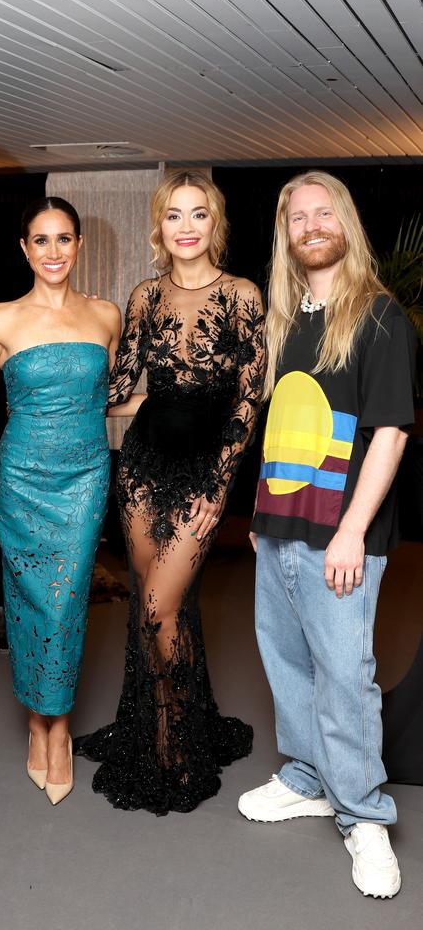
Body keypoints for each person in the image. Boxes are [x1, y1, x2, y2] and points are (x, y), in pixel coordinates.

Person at [238, 171, 417, 899]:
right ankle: (310, 777)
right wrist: (259, 514)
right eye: (296, 217)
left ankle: (365, 816)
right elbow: (287, 425)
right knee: (287, 663)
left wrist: (351, 531)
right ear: (286, 234)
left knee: (345, 675)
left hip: (340, 536)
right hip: (279, 525)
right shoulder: (288, 319)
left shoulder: (377, 316)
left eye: (322, 213)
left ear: (344, 221)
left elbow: (391, 434)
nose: (310, 225)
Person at [75, 169, 266, 814]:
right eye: (174, 215)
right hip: (142, 466)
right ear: (158, 226)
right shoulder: (144, 297)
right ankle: (160, 726)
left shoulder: (243, 296)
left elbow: (247, 402)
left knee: (159, 606)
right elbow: (125, 385)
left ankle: (175, 741)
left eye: (199, 214)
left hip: (202, 476)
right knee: (158, 609)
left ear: (216, 223)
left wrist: (220, 487)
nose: (186, 227)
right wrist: (65, 374)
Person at [0, 196, 123, 805]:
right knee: (27, 600)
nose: (53, 252)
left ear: (79, 245)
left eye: (64, 239)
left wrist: (177, 406)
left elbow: (107, 398)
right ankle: (35, 721)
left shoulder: (105, 316)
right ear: (24, 248)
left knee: (66, 600)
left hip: (86, 475)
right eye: (40, 240)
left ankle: (58, 728)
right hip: (20, 478)